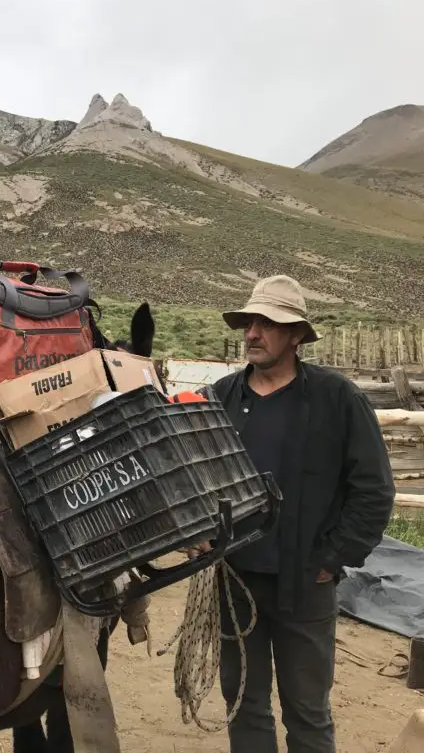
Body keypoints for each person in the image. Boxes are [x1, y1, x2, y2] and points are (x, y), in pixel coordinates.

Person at [200, 274, 394, 753]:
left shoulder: (337, 399)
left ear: (297, 335)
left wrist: (333, 557)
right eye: (249, 322)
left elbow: (373, 489)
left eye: (267, 323)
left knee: (307, 711)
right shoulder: (220, 398)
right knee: (243, 703)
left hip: (306, 583)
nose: (252, 333)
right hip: (235, 580)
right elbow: (194, 478)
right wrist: (202, 534)